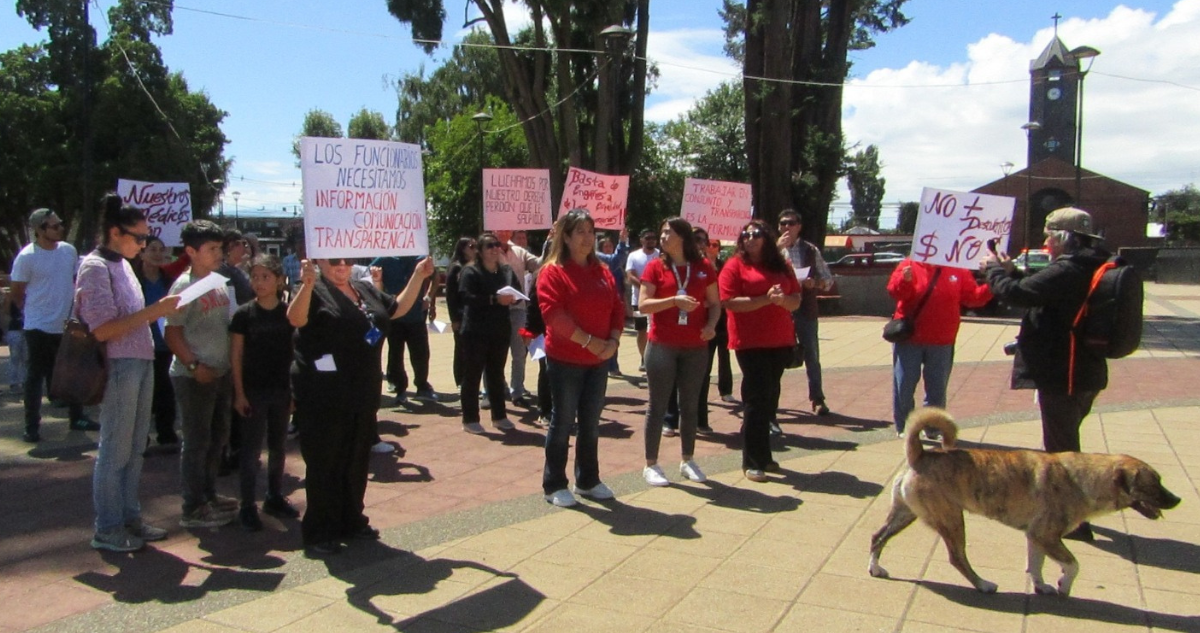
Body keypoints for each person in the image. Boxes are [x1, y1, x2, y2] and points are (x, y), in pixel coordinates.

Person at [288, 255, 433, 556]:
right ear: (318, 261)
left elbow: (396, 309)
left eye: (346, 259)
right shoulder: (312, 289)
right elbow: (296, 319)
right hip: (323, 392)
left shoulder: (363, 288)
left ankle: (351, 519)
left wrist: (419, 275)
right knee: (325, 460)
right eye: (332, 261)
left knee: (355, 459)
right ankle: (320, 531)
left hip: (362, 389)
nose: (341, 265)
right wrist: (307, 284)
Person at [984, 207, 1111, 542]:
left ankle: (1074, 522)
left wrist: (995, 271)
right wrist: (1013, 270)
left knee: (1062, 453)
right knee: (1066, 442)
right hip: (1086, 371)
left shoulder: (1070, 269)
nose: (1045, 242)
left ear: (1063, 238)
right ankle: (1072, 511)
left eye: (1049, 235)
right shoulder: (1092, 264)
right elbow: (1037, 288)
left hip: (1063, 374)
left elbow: (1017, 294)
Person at [78, 194, 181, 551]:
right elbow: (102, 329)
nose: (143, 244)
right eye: (138, 238)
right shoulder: (94, 267)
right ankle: (107, 527)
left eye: (145, 238)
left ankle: (128, 516)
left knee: (136, 448)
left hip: (140, 361)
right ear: (113, 232)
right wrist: (156, 312)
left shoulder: (123, 265)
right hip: (118, 364)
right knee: (115, 451)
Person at [538, 209, 625, 507]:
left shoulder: (601, 271)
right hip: (566, 360)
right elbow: (554, 316)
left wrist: (612, 341)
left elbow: (617, 306)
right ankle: (554, 484)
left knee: (590, 422)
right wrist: (591, 343)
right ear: (566, 236)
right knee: (562, 421)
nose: (588, 238)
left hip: (598, 360)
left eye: (591, 232)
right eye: (581, 232)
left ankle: (587, 479)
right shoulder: (553, 272)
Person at [165, 220, 238, 529]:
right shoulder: (184, 286)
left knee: (217, 436)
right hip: (193, 376)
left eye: (219, 248)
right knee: (196, 441)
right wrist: (194, 366)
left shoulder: (218, 281)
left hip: (219, 373)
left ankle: (208, 494)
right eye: (211, 249)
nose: (218, 253)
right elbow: (172, 333)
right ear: (191, 252)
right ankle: (192, 506)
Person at [638, 218, 721, 487]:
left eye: (667, 233)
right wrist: (673, 300)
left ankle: (688, 460)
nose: (662, 237)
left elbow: (715, 304)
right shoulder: (654, 267)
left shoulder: (703, 267)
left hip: (695, 346)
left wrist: (710, 325)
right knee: (657, 405)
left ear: (682, 237)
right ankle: (651, 464)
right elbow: (643, 305)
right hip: (662, 345)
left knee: (690, 404)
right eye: (661, 232)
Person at [719, 220, 801, 483]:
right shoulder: (734, 266)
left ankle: (765, 457)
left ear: (767, 238)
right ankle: (752, 461)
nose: (750, 239)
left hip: (779, 342)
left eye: (755, 235)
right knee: (755, 400)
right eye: (745, 235)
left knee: (769, 399)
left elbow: (796, 299)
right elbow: (728, 301)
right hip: (750, 343)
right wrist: (765, 299)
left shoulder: (782, 265)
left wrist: (782, 300)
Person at [229, 254, 300, 531]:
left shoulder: (289, 313)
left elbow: (295, 353)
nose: (259, 282)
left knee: (279, 446)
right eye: (255, 277)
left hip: (281, 389)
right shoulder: (243, 314)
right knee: (250, 451)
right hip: (253, 390)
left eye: (265, 277)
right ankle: (247, 504)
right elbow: (236, 355)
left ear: (279, 280)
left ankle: (274, 495)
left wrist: (294, 392)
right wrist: (239, 392)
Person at [12, 208, 94, 443]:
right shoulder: (27, 257)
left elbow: (75, 281)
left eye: (60, 224)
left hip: (66, 324)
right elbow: (17, 293)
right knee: (35, 376)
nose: (60, 229)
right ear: (39, 230)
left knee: (73, 371)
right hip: (38, 326)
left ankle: (77, 417)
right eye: (54, 226)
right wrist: (31, 313)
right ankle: (31, 425)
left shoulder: (68, 251)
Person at [887, 259, 992, 437]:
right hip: (909, 338)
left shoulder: (957, 269)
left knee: (937, 388)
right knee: (904, 384)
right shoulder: (909, 264)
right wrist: (903, 280)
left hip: (942, 340)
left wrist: (993, 284)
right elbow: (894, 292)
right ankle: (905, 425)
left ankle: (933, 426)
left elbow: (973, 297)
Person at [663, 229, 732, 436]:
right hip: (676, 327)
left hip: (706, 328)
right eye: (698, 240)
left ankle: (700, 419)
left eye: (706, 241)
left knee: (702, 375)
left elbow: (717, 299)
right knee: (673, 375)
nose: (702, 244)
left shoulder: (714, 266)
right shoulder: (677, 265)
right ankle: (670, 419)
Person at [458, 233, 520, 434]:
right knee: (473, 375)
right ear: (480, 251)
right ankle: (470, 418)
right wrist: (494, 299)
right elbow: (466, 297)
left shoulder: (506, 271)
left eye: (497, 245)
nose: (495, 249)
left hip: (500, 330)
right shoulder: (471, 272)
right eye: (489, 246)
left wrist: (516, 299)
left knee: (496, 374)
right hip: (476, 331)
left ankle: (499, 416)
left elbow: (517, 291)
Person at [776, 209, 834, 416]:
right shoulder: (773, 251)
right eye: (783, 223)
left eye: (791, 223)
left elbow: (827, 281)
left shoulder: (810, 250)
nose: (786, 227)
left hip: (804, 309)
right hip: (780, 309)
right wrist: (776, 249)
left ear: (799, 226)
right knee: (775, 355)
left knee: (811, 353)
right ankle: (772, 401)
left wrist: (814, 283)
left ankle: (817, 398)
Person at [370, 255, 438, 403]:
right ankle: (400, 388)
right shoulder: (384, 259)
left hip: (416, 316)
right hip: (394, 317)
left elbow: (435, 276)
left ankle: (422, 386)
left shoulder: (421, 258)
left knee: (421, 353)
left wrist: (429, 298)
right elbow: (370, 276)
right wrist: (378, 281)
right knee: (395, 354)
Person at [136, 236, 180, 447]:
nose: (157, 254)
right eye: (152, 249)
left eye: (161, 250)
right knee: (141, 395)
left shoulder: (168, 281)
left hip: (164, 345)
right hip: (140, 345)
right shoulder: (134, 281)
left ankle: (166, 432)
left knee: (165, 392)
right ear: (141, 253)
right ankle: (140, 437)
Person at [494, 229, 540, 407]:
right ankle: (492, 389)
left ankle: (517, 391)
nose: (504, 231)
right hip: (495, 310)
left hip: (518, 308)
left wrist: (550, 243)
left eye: (507, 228)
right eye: (500, 227)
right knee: (494, 352)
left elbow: (539, 264)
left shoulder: (519, 252)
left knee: (519, 352)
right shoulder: (487, 249)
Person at [595, 228, 630, 376]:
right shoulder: (561, 259)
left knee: (611, 336)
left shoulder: (596, 257)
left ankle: (611, 366)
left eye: (589, 232)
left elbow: (616, 260)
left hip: (609, 304)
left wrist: (622, 242)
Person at [625, 229, 660, 372]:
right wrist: (646, 287)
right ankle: (644, 359)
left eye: (653, 237)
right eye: (647, 238)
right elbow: (630, 275)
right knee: (642, 331)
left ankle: (654, 358)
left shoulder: (661, 256)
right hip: (638, 300)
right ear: (641, 240)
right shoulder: (634, 256)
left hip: (658, 300)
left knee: (655, 328)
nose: (650, 240)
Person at [444, 237, 476, 388]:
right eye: (471, 246)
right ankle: (460, 380)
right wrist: (454, 318)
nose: (475, 249)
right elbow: (450, 295)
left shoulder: (473, 266)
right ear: (462, 249)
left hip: (472, 314)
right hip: (460, 315)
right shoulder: (456, 267)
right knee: (461, 349)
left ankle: (469, 379)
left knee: (471, 349)